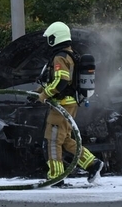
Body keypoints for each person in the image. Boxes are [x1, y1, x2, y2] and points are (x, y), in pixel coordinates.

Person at [29, 21, 103, 185]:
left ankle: (56, 177)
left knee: (53, 141)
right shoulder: (69, 54)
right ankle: (92, 164)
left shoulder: (60, 57)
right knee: (65, 139)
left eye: (50, 38)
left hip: (61, 105)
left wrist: (45, 96)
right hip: (69, 104)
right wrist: (38, 92)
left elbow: (62, 81)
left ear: (55, 38)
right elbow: (56, 81)